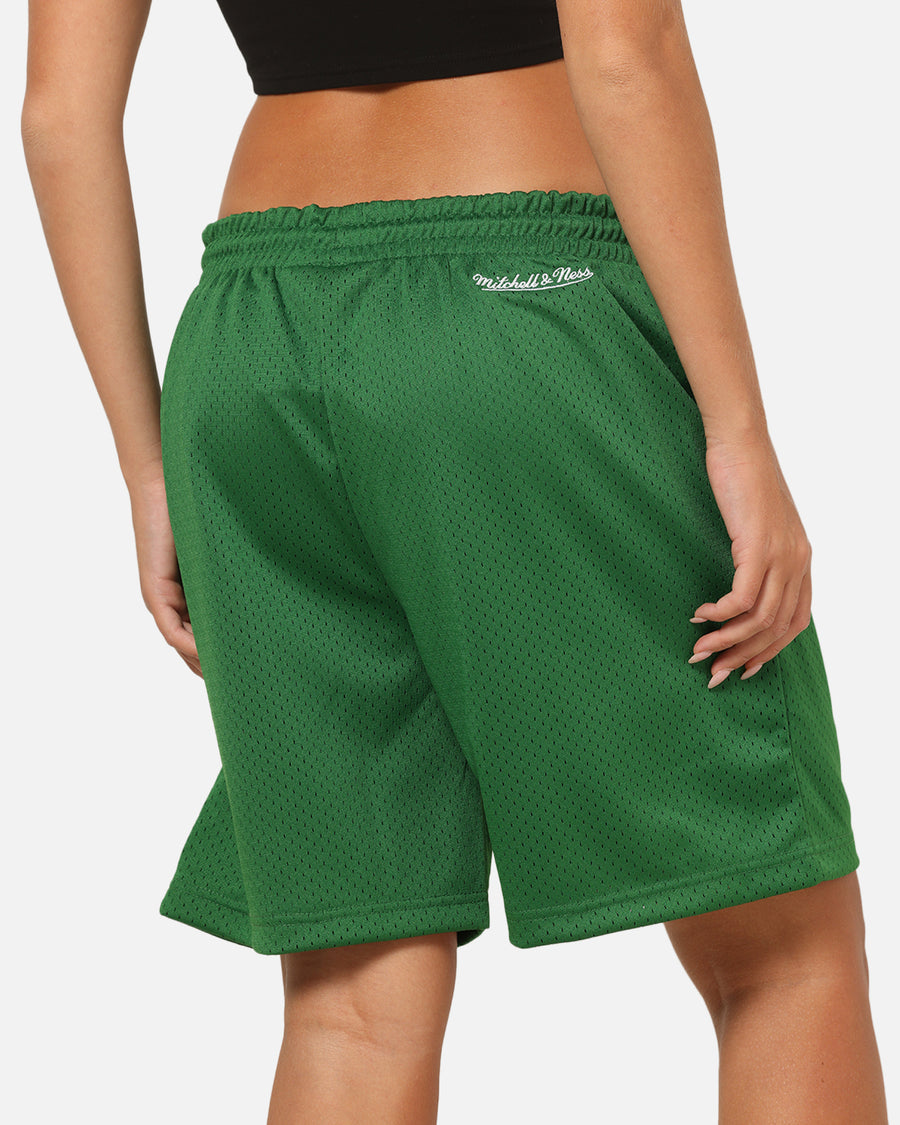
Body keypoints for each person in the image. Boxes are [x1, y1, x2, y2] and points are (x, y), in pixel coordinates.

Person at [21, 0, 887, 1120]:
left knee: (352, 1003)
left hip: (248, 341)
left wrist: (147, 468)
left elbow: (59, 118)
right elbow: (628, 53)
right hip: (518, 306)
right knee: (783, 954)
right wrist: (737, 429)